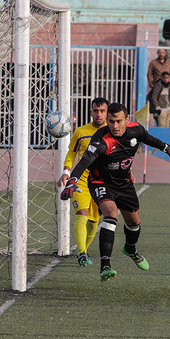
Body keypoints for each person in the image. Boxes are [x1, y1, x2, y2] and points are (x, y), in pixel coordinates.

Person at [60, 103, 170, 281]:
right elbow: (85, 160)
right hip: (100, 182)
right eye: (111, 121)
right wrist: (72, 179)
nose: (115, 126)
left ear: (127, 120)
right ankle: (105, 265)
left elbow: (150, 139)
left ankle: (130, 249)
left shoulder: (136, 130)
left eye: (119, 121)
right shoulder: (101, 139)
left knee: (134, 223)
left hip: (125, 184)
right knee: (111, 214)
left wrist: (169, 149)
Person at [57, 98, 108, 266]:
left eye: (102, 111)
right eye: (95, 110)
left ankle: (83, 250)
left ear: (106, 112)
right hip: (81, 180)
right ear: (91, 112)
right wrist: (66, 172)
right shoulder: (80, 131)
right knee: (82, 215)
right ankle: (82, 253)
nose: (98, 114)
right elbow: (72, 152)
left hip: (101, 182)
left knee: (94, 222)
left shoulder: (111, 132)